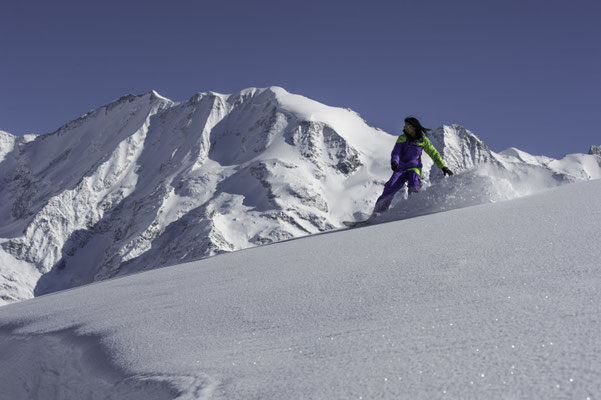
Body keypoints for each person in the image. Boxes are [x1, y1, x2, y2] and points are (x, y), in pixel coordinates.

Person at [371, 117, 453, 215]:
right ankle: (378, 214)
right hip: (401, 168)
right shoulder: (402, 138)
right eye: (405, 125)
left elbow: (434, 153)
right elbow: (396, 152)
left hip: (414, 168)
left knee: (414, 182)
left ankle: (413, 208)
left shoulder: (423, 140)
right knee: (390, 187)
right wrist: (394, 162)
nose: (405, 127)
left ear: (414, 127)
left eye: (407, 125)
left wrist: (443, 167)